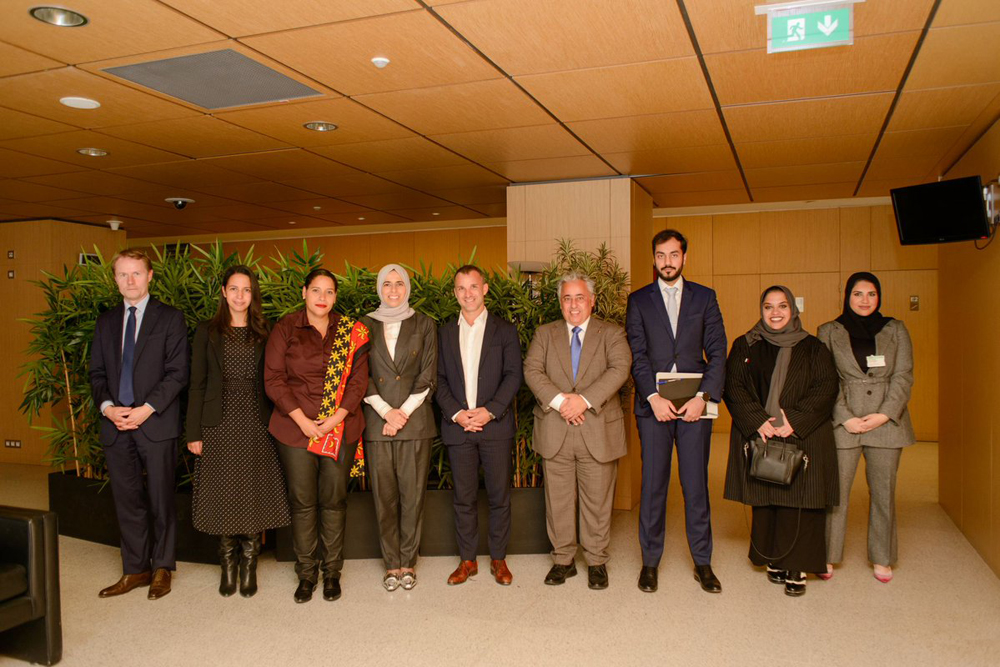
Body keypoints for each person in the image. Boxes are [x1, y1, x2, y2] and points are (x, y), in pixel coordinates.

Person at [625, 229, 727, 594]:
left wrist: (704, 396)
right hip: (653, 407)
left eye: (673, 255)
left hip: (694, 407)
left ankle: (703, 562)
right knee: (653, 485)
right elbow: (636, 354)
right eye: (660, 255)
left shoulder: (705, 297)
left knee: (695, 485)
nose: (667, 261)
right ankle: (650, 563)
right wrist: (652, 396)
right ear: (653, 259)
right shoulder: (638, 300)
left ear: (685, 257)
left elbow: (718, 352)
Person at [722, 286, 839, 597]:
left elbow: (826, 388)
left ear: (793, 310)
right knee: (766, 497)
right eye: (769, 306)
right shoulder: (745, 345)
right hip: (761, 434)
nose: (775, 313)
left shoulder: (813, 347)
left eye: (782, 306)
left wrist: (794, 422)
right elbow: (733, 387)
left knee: (800, 501)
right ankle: (772, 557)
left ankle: (796, 565)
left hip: (802, 434)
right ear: (761, 310)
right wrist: (758, 421)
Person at [264, 268, 370, 603]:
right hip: (295, 431)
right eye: (316, 291)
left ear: (335, 296)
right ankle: (307, 573)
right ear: (304, 293)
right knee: (303, 502)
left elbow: (357, 381)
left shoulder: (352, 331)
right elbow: (274, 379)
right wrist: (303, 421)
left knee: (334, 501)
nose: (322, 298)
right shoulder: (285, 328)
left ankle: (332, 574)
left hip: (341, 428)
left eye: (328, 292)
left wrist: (336, 418)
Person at [89, 248, 189, 600]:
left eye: (136, 273)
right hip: (115, 425)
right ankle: (135, 569)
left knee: (161, 498)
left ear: (150, 276)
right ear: (115, 279)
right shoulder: (105, 322)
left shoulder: (170, 318)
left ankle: (162, 567)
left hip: (155, 422)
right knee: (127, 500)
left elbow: (178, 374)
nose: (130, 280)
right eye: (123, 274)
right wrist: (108, 408)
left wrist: (147, 408)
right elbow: (97, 373)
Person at [186, 265, 290, 598]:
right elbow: (196, 385)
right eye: (234, 289)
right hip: (218, 420)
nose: (240, 296)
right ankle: (227, 564)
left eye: (246, 290)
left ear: (253, 294)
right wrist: (193, 432)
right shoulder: (207, 331)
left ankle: (250, 563)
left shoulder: (265, 330)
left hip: (257, 420)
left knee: (252, 489)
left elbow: (275, 379)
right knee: (222, 490)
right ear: (223, 292)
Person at [523, 273, 631, 590]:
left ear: (592, 300)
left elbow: (620, 369)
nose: (573, 304)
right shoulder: (545, 334)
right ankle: (563, 561)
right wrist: (560, 402)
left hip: (596, 429)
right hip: (556, 427)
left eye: (579, 297)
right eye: (567, 298)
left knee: (597, 501)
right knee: (558, 501)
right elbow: (532, 370)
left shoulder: (611, 334)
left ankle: (596, 561)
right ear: (560, 302)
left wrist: (582, 401)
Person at [818, 272, 915, 583]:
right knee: (837, 494)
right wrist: (845, 416)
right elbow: (824, 379)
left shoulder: (896, 330)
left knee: (883, 493)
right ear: (847, 296)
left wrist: (884, 414)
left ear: (879, 297)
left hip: (886, 423)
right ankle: (828, 555)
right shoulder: (829, 331)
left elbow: (904, 376)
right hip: (844, 421)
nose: (864, 300)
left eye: (871, 294)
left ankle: (882, 557)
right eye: (858, 293)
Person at [435, 265, 523, 586]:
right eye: (461, 288)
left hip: (494, 427)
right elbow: (439, 380)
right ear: (455, 293)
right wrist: (458, 414)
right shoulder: (443, 333)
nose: (468, 293)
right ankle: (467, 560)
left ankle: (498, 559)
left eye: (474, 287)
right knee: (464, 498)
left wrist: (490, 411)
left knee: (499, 496)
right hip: (459, 428)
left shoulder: (505, 330)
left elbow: (514, 375)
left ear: (485, 289)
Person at [361, 264, 438, 592]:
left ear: (407, 287)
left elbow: (427, 374)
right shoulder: (364, 325)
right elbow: (357, 375)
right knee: (385, 497)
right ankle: (391, 563)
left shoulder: (424, 323)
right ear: (380, 288)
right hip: (378, 423)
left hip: (414, 422)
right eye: (387, 284)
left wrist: (401, 413)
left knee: (413, 494)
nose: (393, 290)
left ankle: (409, 561)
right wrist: (385, 411)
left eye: (399, 284)